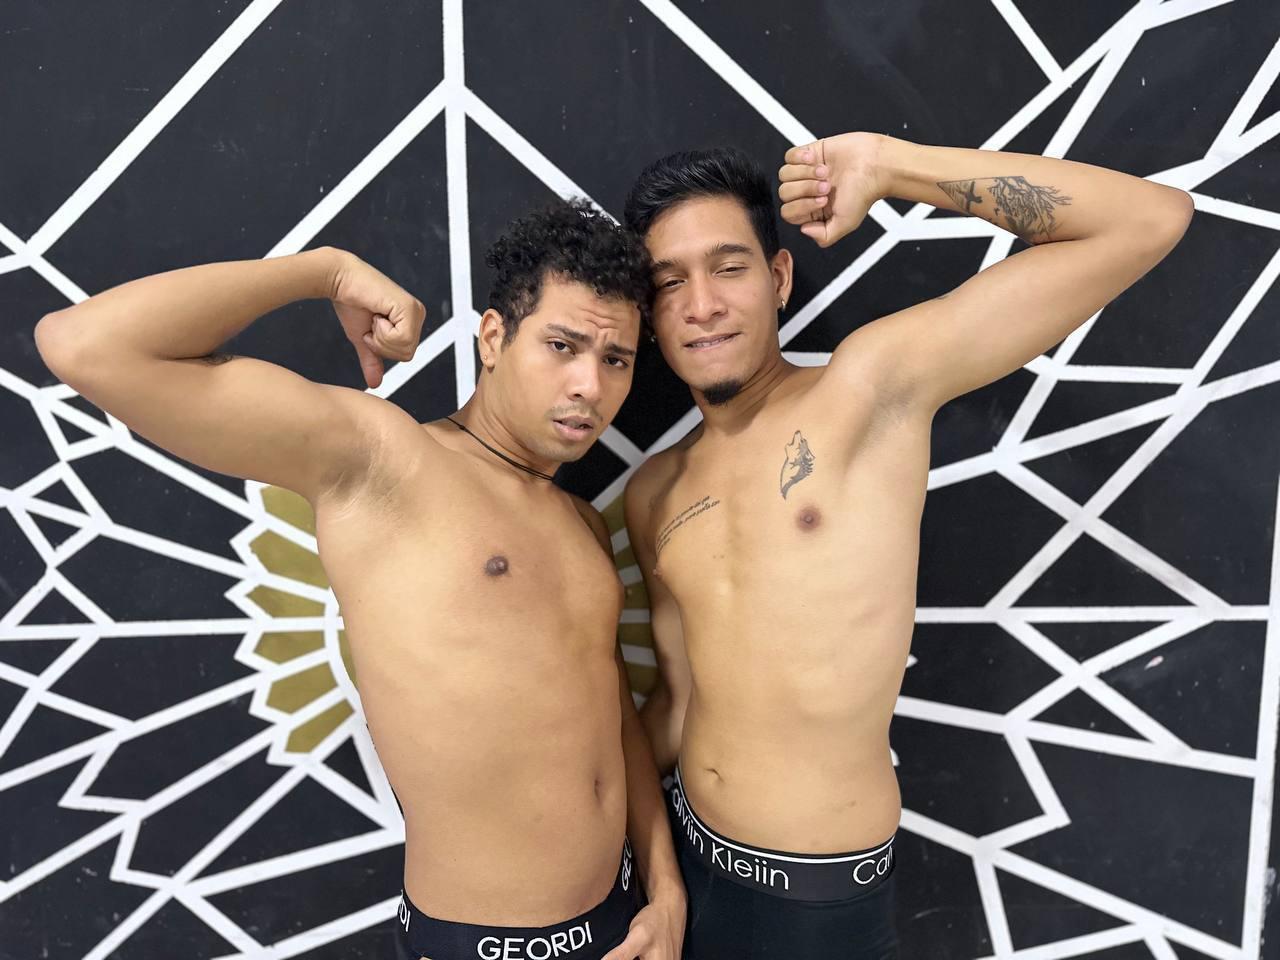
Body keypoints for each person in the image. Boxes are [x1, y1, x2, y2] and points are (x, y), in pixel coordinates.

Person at [33, 200, 686, 960]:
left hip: (620, 925)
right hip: (481, 944)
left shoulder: (580, 522)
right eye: (563, 346)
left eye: (616, 360)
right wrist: (326, 271)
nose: (589, 385)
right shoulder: (385, 461)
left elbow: (609, 717)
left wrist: (666, 891)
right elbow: (82, 345)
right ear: (493, 337)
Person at [621, 136, 1193, 957]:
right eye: (669, 282)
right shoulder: (655, 490)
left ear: (778, 277)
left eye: (728, 267)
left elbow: (1148, 220)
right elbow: (677, 704)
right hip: (681, 870)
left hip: (817, 904)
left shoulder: (869, 386)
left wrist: (891, 168)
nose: (700, 304)